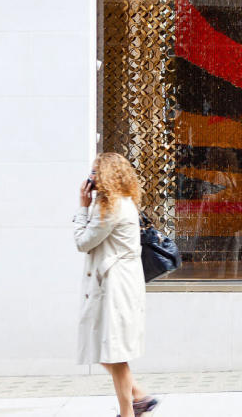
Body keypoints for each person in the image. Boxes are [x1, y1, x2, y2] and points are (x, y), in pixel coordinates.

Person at [74, 152, 157, 416]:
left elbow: (83, 242)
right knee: (108, 350)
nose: (91, 178)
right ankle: (139, 398)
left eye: (96, 173)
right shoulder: (121, 202)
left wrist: (82, 206)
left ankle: (128, 411)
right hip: (116, 284)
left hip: (116, 288)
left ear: (108, 175)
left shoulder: (111, 208)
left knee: (115, 353)